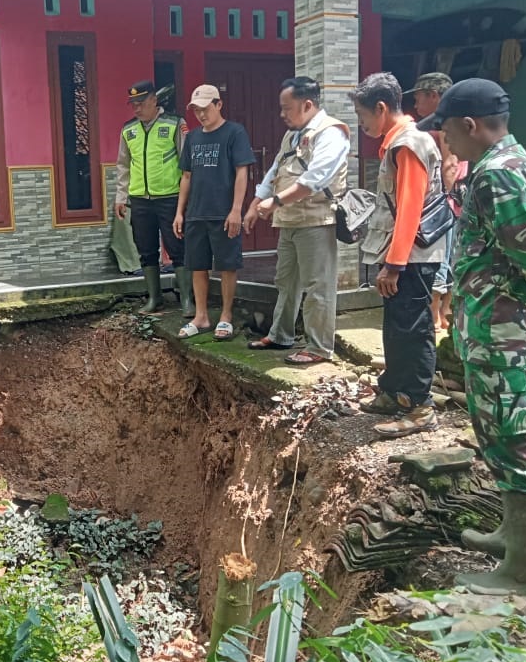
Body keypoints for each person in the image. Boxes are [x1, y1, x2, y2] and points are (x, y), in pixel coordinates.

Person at [420, 78, 526, 596]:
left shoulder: (495, 177)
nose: (445, 142)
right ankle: (515, 534)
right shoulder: (518, 164)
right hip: (505, 328)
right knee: (502, 431)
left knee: (513, 436)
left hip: (504, 330)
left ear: (469, 126)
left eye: (445, 131)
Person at [351, 72, 446, 437]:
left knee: (413, 327)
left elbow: (409, 208)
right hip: (405, 253)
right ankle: (394, 390)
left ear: (381, 108)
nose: (362, 126)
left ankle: (419, 405)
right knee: (396, 324)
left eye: (363, 118)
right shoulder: (398, 143)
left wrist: (393, 265)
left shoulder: (408, 144)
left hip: (413, 256)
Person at [243, 76, 350, 365]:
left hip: (316, 219)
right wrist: (255, 203)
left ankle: (318, 347)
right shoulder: (292, 135)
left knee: (318, 285)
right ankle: (281, 334)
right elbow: (274, 171)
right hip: (289, 220)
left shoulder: (331, 133)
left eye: (286, 108)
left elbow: (315, 179)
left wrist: (275, 202)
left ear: (307, 104)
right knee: (286, 281)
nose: (282, 114)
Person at [173, 85, 255, 339]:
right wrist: (180, 212)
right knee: (197, 265)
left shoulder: (234, 132)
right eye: (196, 110)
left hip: (223, 212)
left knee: (228, 265)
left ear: (219, 105)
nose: (201, 114)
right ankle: (201, 316)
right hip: (197, 212)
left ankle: (226, 316)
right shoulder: (194, 137)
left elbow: (243, 172)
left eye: (205, 108)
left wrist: (236, 210)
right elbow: (186, 176)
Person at [114, 80, 193, 316]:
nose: (137, 108)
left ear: (154, 100)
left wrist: (186, 200)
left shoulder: (175, 124)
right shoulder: (128, 130)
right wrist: (121, 197)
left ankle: (187, 300)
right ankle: (154, 298)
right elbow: (123, 166)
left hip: (170, 197)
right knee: (146, 250)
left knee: (178, 248)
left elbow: (187, 164)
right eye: (133, 104)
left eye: (141, 103)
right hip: (139, 200)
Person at [405, 72, 460, 331]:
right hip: (460, 197)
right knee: (453, 253)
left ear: (434, 96)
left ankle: (435, 315)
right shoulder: (457, 119)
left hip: (447, 199)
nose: (415, 105)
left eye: (418, 98)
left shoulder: (442, 124)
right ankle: (446, 311)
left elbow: (450, 164)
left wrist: (445, 202)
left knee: (441, 254)